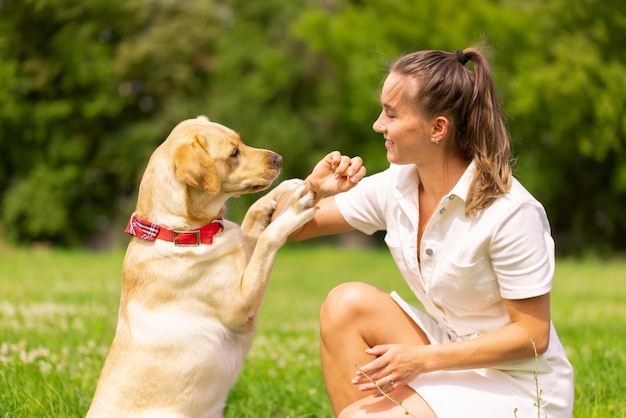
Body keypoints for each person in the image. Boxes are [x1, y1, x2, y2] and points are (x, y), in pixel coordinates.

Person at [274, 45, 574, 417]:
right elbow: (290, 230)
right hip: (452, 353)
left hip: (522, 387)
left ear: (438, 128)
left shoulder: (510, 212)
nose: (378, 125)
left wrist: (422, 359)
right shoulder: (399, 185)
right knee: (346, 304)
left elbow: (532, 336)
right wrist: (313, 190)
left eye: (391, 114)